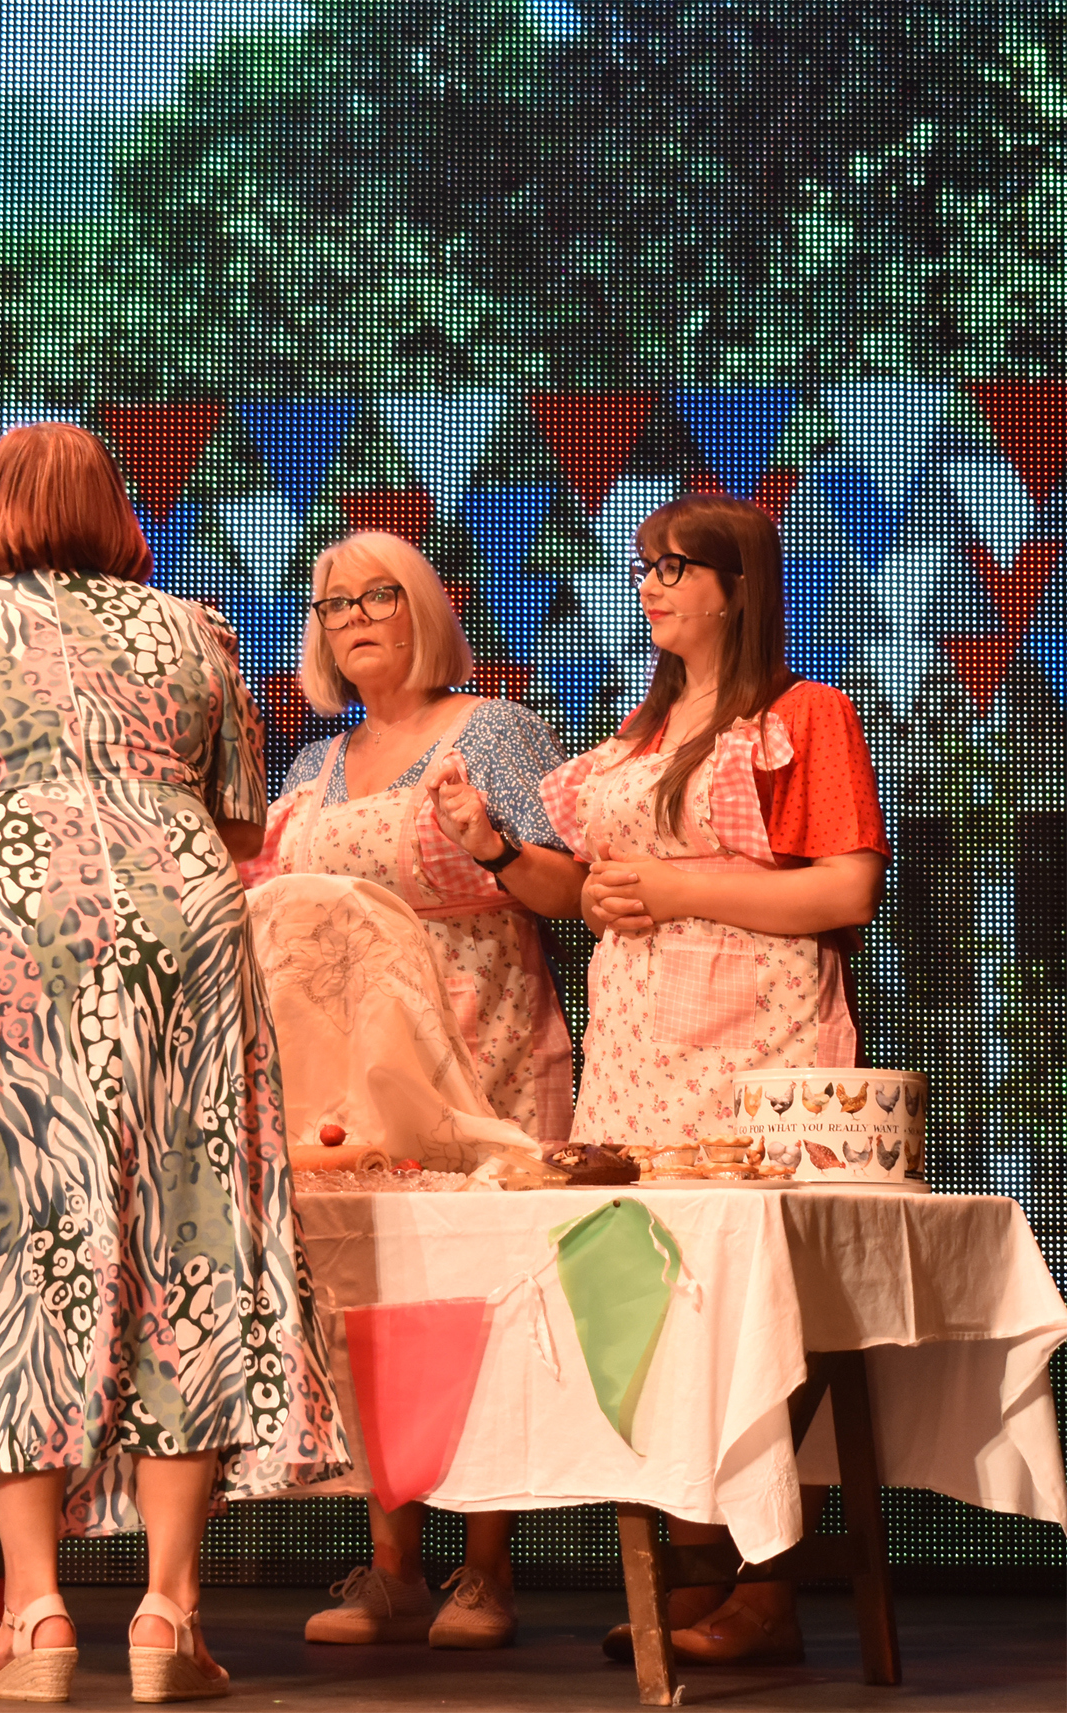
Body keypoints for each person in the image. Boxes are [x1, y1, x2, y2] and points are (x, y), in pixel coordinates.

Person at [0, 422, 345, 1703]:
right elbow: (241, 822)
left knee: (3, 1244)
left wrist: (4, 871)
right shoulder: (195, 634)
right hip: (186, 920)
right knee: (193, 1236)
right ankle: (169, 1615)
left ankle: (39, 1615)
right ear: (118, 508)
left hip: (8, 928)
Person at [542, 492, 889, 1666]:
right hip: (637, 1052)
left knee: (751, 1314)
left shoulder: (804, 713)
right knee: (647, 1306)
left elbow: (845, 889)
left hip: (755, 1048)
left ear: (738, 590)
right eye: (643, 567)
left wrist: (677, 887)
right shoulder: (638, 733)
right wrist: (590, 890)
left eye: (675, 566)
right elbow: (602, 878)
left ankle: (766, 1583)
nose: (650, 586)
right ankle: (691, 1573)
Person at [245, 530, 584, 1652]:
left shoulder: (493, 729)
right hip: (352, 1072)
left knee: (485, 1297)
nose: (352, 617)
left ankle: (486, 1566)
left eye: (377, 595)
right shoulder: (313, 764)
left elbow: (565, 886)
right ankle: (392, 1564)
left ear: (425, 609)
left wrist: (486, 846)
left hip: (480, 1046)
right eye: (332, 602)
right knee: (376, 1299)